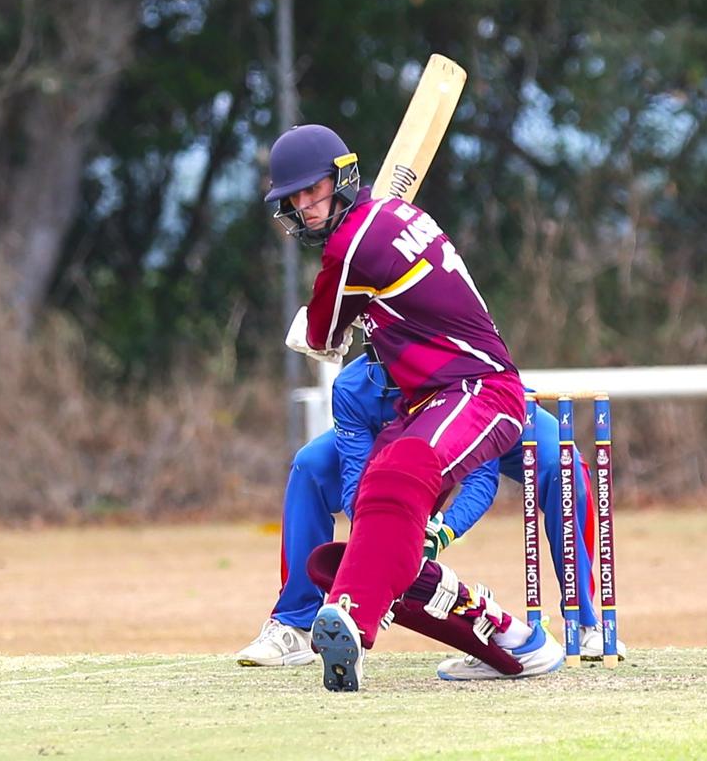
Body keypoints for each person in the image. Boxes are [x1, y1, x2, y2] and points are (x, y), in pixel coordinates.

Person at [264, 123, 550, 691]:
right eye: (295, 198)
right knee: (380, 516)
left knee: (397, 479)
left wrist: (310, 329)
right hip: (427, 402)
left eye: (313, 191)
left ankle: (351, 617)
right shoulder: (392, 222)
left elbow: (322, 339)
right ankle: (511, 637)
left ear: (343, 179)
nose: (305, 207)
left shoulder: (349, 248)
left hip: (480, 388)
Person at [235, 353, 627, 670]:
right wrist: (382, 545)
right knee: (310, 467)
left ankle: (588, 620)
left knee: (564, 466)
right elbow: (358, 480)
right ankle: (294, 624)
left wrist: (440, 531)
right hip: (405, 435)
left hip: (488, 406)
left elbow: (479, 480)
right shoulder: (357, 386)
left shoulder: (442, 360)